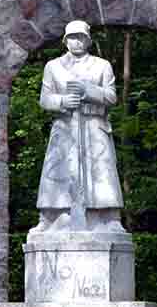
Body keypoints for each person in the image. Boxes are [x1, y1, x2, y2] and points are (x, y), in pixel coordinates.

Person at [31, 20, 126, 234]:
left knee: (102, 172)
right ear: (66, 41)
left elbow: (111, 96)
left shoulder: (102, 65)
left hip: (94, 126)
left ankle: (109, 217)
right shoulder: (53, 66)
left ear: (88, 40)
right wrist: (63, 101)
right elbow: (45, 99)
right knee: (56, 170)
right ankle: (51, 216)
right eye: (73, 37)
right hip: (65, 125)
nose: (77, 41)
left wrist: (88, 91)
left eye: (81, 37)